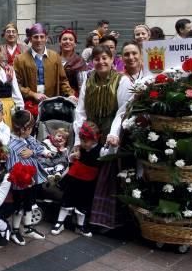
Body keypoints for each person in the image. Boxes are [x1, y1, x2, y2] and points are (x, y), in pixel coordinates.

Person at [74, 44, 132, 231]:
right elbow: (80, 110)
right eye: (97, 59)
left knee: (108, 177)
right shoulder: (88, 80)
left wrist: (114, 134)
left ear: (112, 59)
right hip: (89, 136)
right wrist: (80, 138)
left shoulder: (122, 81)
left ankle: (106, 221)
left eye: (104, 58)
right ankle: (85, 215)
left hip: (110, 135)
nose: (101, 62)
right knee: (87, 175)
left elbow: (123, 111)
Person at [6, 110, 50, 245]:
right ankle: (15, 230)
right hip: (20, 182)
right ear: (23, 129)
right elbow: (11, 166)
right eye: (30, 128)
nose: (32, 130)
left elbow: (40, 148)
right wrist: (21, 178)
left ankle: (27, 227)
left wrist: (34, 151)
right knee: (19, 204)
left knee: (29, 202)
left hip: (32, 178)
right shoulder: (11, 145)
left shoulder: (28, 139)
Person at [50, 121, 102, 237]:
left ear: (94, 140)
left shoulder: (100, 150)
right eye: (82, 140)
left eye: (85, 141)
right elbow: (71, 160)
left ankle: (80, 226)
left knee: (83, 203)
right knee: (67, 200)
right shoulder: (80, 148)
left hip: (88, 181)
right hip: (75, 178)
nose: (83, 143)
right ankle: (59, 222)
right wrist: (73, 156)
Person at [14, 23, 76, 117]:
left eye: (42, 37)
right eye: (36, 37)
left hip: (51, 104)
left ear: (46, 38)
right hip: (29, 104)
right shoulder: (20, 59)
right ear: (30, 39)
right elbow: (17, 85)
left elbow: (63, 80)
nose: (39, 40)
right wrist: (32, 94)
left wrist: (70, 94)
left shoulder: (55, 56)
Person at [58, 29, 87, 98]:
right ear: (60, 42)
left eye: (71, 39)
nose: (67, 41)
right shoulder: (53, 58)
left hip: (72, 97)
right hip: (54, 96)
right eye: (64, 39)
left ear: (75, 44)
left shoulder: (80, 61)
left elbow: (82, 85)